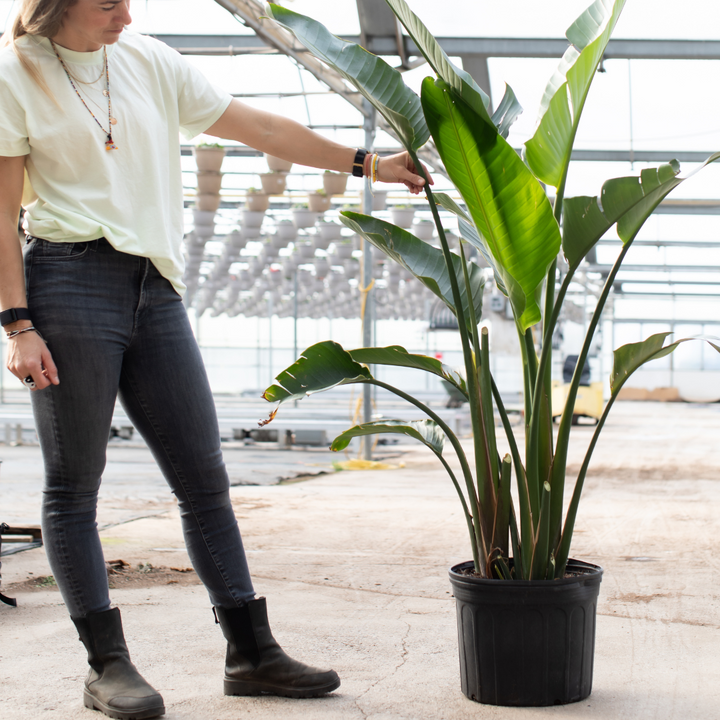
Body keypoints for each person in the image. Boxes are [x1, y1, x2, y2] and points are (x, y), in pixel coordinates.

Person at [0, 1, 431, 718]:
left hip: (156, 289)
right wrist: (16, 323)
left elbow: (259, 127)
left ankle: (252, 653)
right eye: (108, 3)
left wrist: (370, 164)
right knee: (75, 485)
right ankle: (107, 666)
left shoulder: (146, 59)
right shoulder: (15, 72)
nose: (126, 14)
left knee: (204, 477)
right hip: (67, 281)